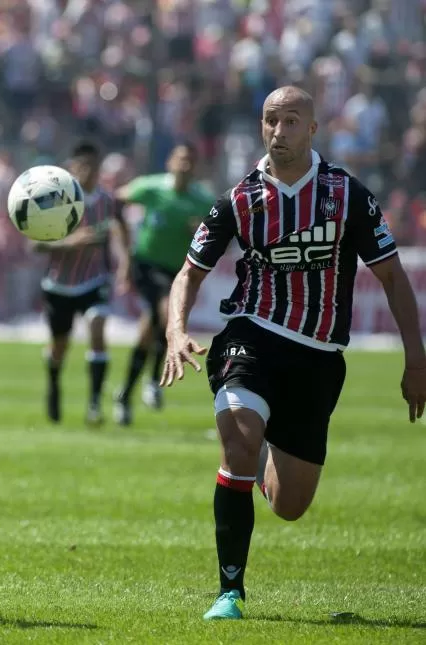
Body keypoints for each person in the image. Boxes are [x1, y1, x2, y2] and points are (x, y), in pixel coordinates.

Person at [162, 86, 426, 620]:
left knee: (290, 505)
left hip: (318, 357)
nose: (278, 131)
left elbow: (394, 278)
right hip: (250, 335)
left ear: (312, 129)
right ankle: (229, 592)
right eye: (270, 121)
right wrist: (175, 331)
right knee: (236, 441)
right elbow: (190, 273)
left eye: (290, 121)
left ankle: (260, 456)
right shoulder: (240, 199)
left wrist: (416, 361)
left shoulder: (348, 195)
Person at [112, 143, 217, 425]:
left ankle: (124, 394)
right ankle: (150, 381)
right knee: (165, 315)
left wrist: (201, 233)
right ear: (170, 162)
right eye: (180, 159)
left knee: (150, 329)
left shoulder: (202, 200)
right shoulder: (151, 187)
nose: (184, 165)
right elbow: (115, 201)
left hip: (178, 271)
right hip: (146, 266)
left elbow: (220, 236)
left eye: (189, 161)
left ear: (195, 167)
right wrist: (122, 238)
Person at [32, 141, 130, 425]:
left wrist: (125, 263)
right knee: (59, 346)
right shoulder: (55, 199)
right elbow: (34, 246)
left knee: (98, 326)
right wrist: (69, 243)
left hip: (93, 281)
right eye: (82, 165)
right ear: (71, 168)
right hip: (59, 284)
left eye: (93, 166)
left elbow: (121, 227)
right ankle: (53, 384)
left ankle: (95, 404)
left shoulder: (108, 201)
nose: (88, 171)